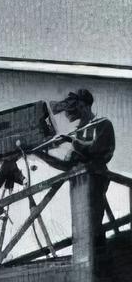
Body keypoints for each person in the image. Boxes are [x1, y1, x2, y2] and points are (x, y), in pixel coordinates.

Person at [32, 88, 116, 232]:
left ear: (87, 106)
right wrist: (39, 153)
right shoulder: (78, 133)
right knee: (81, 229)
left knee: (92, 226)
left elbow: (96, 150)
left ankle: (97, 250)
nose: (77, 111)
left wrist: (70, 140)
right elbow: (66, 165)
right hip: (78, 183)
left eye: (80, 107)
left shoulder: (103, 124)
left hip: (96, 178)